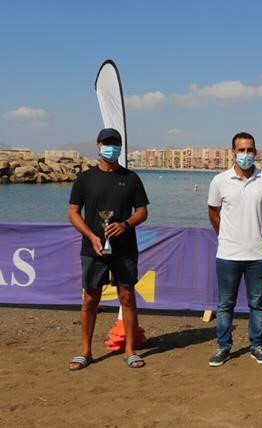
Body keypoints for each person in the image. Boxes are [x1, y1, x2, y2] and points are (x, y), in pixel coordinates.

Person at [68, 128, 150, 370]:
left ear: (120, 147)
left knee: (128, 298)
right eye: (106, 143)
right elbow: (73, 212)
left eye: (115, 143)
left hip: (125, 249)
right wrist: (92, 235)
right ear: (98, 145)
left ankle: (130, 350)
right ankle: (86, 351)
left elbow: (143, 212)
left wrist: (125, 225)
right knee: (90, 300)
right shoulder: (85, 178)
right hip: (93, 248)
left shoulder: (132, 178)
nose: (110, 147)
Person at [207, 132, 262, 367]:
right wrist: (226, 235)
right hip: (227, 254)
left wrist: (256, 231)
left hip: (258, 254)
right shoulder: (219, 181)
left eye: (250, 150)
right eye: (241, 150)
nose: (246, 154)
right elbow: (213, 212)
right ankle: (224, 346)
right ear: (233, 152)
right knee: (226, 303)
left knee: (257, 303)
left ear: (255, 152)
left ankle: (257, 345)